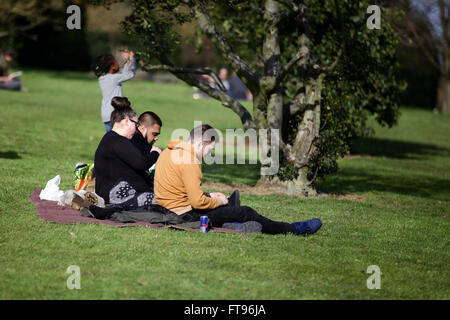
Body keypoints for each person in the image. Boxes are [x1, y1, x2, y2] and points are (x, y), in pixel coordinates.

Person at [154, 124, 322, 235]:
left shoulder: (170, 151)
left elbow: (179, 187)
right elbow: (197, 203)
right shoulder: (190, 160)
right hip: (183, 215)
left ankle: (232, 212)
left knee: (226, 204)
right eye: (209, 150)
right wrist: (217, 202)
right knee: (246, 211)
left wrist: (209, 195)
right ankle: (293, 229)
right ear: (200, 144)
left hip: (168, 207)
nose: (208, 155)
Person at [94, 96, 157, 208]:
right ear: (128, 121)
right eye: (136, 124)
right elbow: (141, 163)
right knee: (165, 200)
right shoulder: (119, 141)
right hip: (115, 196)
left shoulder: (109, 138)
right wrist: (155, 153)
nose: (136, 129)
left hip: (107, 193)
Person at [91, 50, 136, 132]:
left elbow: (124, 74)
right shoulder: (114, 78)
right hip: (115, 114)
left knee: (111, 139)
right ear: (112, 66)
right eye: (116, 62)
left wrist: (127, 63)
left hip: (106, 115)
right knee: (121, 138)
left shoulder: (102, 79)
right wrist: (132, 59)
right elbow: (130, 74)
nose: (118, 63)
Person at [131, 111, 163, 187]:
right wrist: (155, 153)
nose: (156, 138)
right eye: (154, 134)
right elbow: (142, 167)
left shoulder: (140, 142)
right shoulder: (137, 143)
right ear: (143, 128)